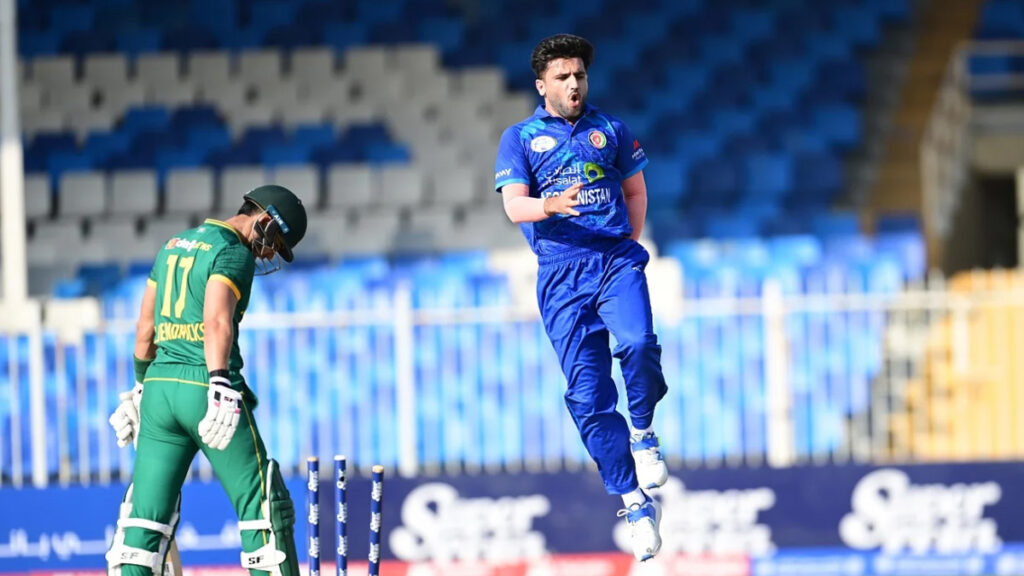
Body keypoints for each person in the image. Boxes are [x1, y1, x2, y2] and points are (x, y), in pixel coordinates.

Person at [494, 34, 670, 562]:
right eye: (563, 77)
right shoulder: (520, 137)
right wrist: (550, 206)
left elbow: (635, 190)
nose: (574, 84)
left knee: (637, 343)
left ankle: (644, 433)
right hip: (561, 273)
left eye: (580, 75)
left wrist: (627, 243)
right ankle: (634, 502)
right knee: (588, 397)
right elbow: (514, 207)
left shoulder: (610, 129)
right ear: (541, 85)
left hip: (614, 260)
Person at [106, 185, 308, 576]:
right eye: (276, 243)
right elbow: (215, 320)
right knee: (264, 506)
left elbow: (145, 330)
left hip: (159, 390)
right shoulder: (233, 252)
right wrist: (219, 382)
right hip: (205, 387)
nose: (269, 254)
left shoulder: (172, 246)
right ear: (266, 221)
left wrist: (140, 388)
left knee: (143, 522)